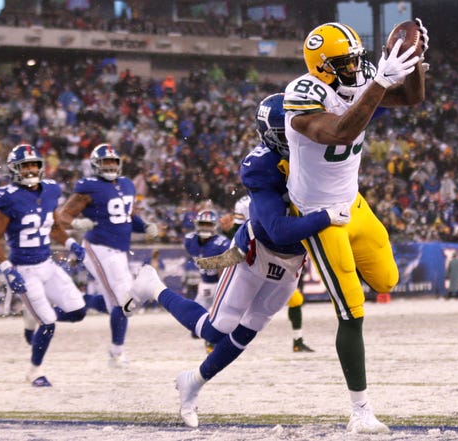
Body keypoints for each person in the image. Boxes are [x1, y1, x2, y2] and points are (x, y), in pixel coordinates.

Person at [124, 93, 349, 428]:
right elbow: (278, 227)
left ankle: (193, 381)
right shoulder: (262, 167)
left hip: (291, 265)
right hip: (254, 254)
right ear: (276, 134)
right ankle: (152, 285)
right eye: (294, 129)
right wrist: (328, 216)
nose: (305, 134)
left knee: (248, 332)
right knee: (216, 331)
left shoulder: (315, 154)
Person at [283, 20, 428, 433]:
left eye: (355, 59)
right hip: (318, 215)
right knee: (352, 312)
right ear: (322, 66)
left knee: (386, 281)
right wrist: (379, 81)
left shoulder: (361, 75)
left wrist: (414, 61)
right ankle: (360, 411)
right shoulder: (303, 93)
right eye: (344, 62)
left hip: (354, 204)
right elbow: (339, 131)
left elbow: (413, 98)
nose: (354, 68)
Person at [0, 144, 88, 387]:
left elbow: (53, 227)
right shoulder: (8, 196)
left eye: (34, 164)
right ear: (15, 169)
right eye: (25, 165)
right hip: (24, 270)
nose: (30, 169)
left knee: (78, 312)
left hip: (47, 264)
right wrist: (7, 269)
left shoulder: (51, 190)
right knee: (49, 323)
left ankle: (32, 317)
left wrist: (71, 243)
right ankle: (34, 372)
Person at [56, 143, 158, 367]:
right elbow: (62, 215)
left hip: (119, 250)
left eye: (113, 161)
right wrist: (75, 222)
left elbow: (128, 215)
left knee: (123, 303)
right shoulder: (89, 187)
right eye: (105, 162)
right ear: (95, 165)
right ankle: (116, 354)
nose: (110, 165)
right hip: (98, 247)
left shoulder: (127, 184)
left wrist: (145, 225)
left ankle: (76, 303)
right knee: (124, 302)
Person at [227, 194, 314, 352]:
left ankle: (297, 339)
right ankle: (223, 340)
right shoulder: (245, 203)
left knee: (294, 300)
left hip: (281, 259)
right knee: (235, 305)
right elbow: (236, 232)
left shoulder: (294, 197)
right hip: (255, 259)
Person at [183, 208, 231, 351]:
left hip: (219, 282)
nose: (205, 227)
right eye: (203, 223)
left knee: (215, 314)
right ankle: (209, 335)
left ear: (215, 225)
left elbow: (225, 268)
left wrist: (223, 287)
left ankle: (212, 341)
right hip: (204, 283)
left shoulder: (222, 243)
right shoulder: (190, 240)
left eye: (208, 224)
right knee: (194, 322)